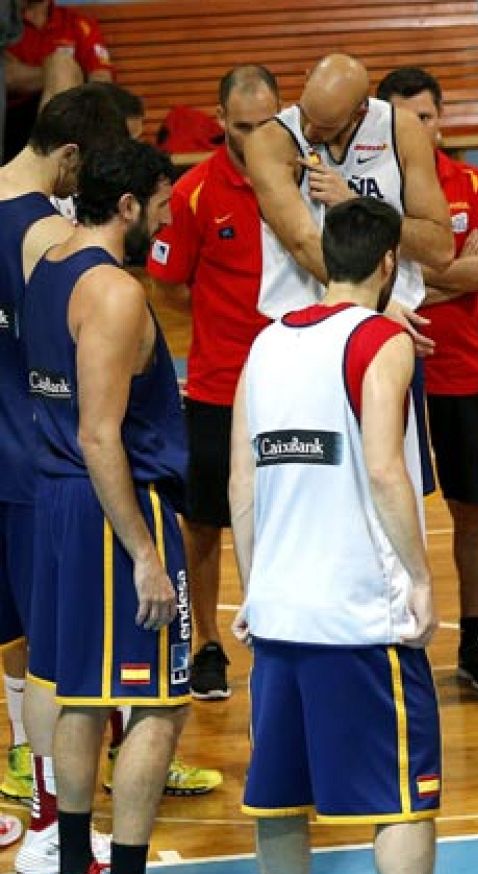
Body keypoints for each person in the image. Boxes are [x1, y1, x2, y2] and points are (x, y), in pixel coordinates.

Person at [230, 197, 438, 874]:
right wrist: (421, 577)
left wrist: (254, 585)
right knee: (405, 795)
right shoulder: (382, 340)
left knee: (280, 799)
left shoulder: (264, 344)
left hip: (280, 613)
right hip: (359, 616)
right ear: (389, 262)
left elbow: (241, 479)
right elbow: (384, 468)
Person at [22, 137, 186, 874]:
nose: (164, 218)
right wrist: (146, 554)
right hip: (114, 504)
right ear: (127, 205)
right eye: (158, 204)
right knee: (158, 698)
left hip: (56, 502)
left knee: (84, 695)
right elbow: (100, 431)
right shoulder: (115, 292)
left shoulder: (45, 268)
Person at [0, 84, 124, 874]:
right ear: (70, 156)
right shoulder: (50, 234)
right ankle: (52, 824)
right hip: (32, 465)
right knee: (53, 654)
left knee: (12, 643)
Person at [376, 66, 478, 693]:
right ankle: (394, 635)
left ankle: (473, 638)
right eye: (405, 119)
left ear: (441, 119)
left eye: (426, 117)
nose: (419, 130)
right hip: (388, 373)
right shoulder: (371, 192)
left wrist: (414, 281)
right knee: (389, 507)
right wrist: (451, 271)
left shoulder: (473, 182)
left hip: (462, 372)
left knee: (470, 509)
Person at [146, 65, 281, 704]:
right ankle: (205, 644)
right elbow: (165, 282)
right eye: (244, 126)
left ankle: (285, 636)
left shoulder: (303, 180)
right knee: (203, 522)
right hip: (218, 387)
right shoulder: (195, 193)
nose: (257, 139)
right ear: (222, 119)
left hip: (292, 387)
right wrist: (216, 315)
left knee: (290, 517)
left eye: (268, 125)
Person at [242, 52, 453, 319]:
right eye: (307, 117)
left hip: (390, 319)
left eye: (325, 127)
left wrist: (354, 203)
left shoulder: (402, 131)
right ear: (306, 80)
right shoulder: (269, 140)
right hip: (308, 322)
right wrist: (376, 304)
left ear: (360, 112)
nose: (309, 133)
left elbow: (440, 250)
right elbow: (302, 243)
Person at [4, 0, 113, 161]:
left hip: (72, 118)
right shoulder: (5, 23)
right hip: (12, 120)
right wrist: (65, 73)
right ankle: (53, 164)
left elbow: (102, 80)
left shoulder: (77, 23)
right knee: (61, 66)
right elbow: (9, 77)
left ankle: (49, 161)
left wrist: (57, 74)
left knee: (63, 67)